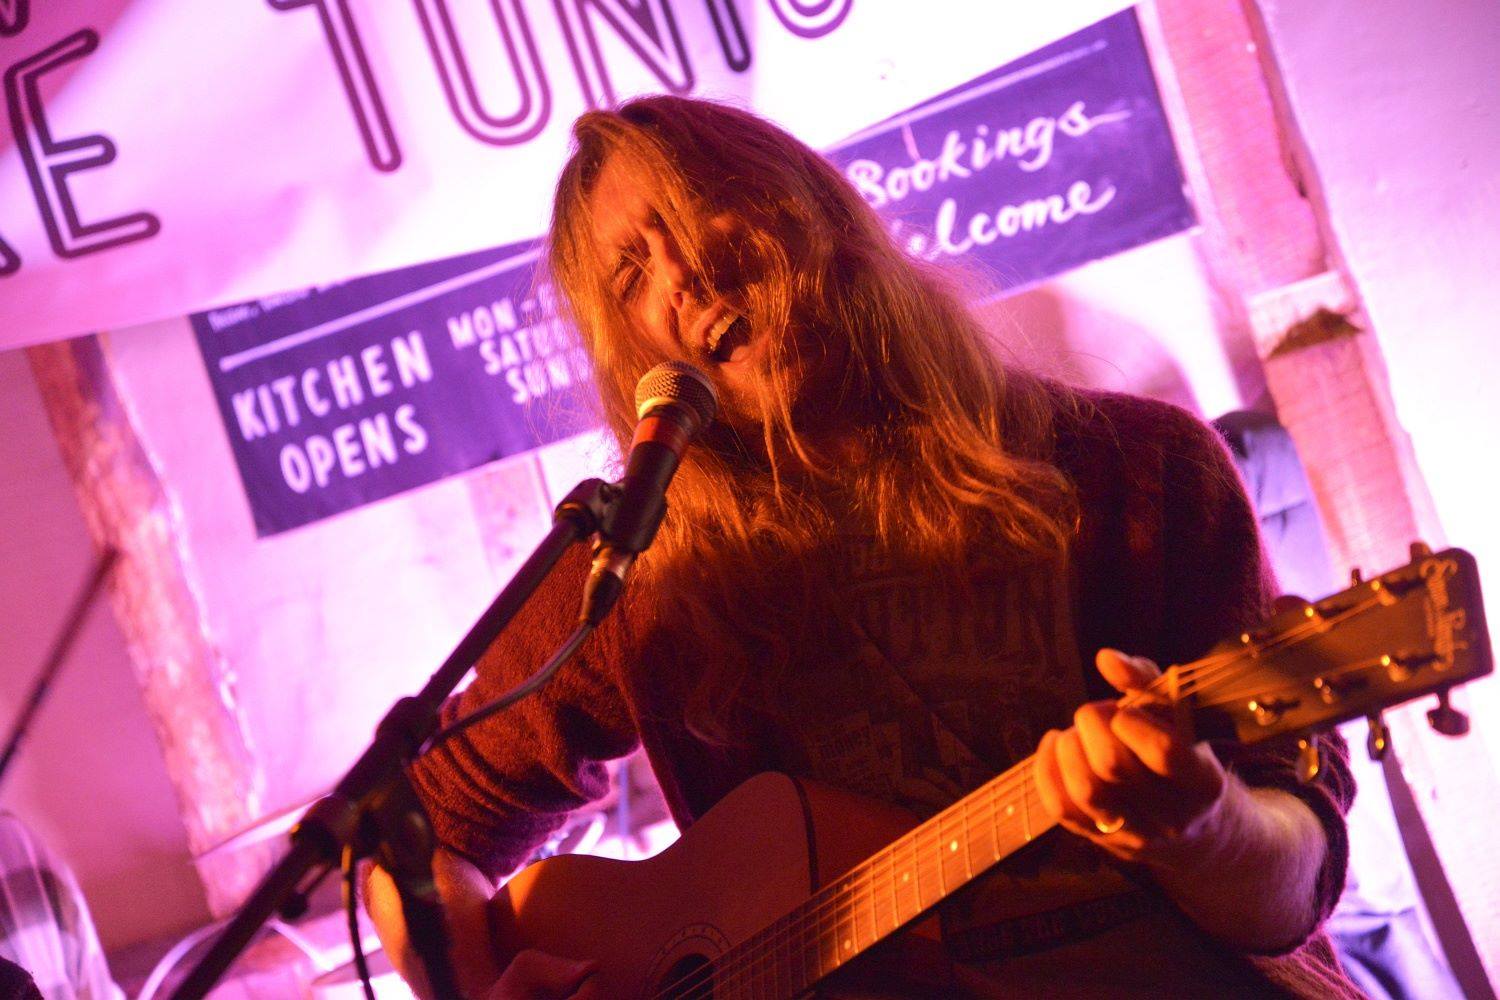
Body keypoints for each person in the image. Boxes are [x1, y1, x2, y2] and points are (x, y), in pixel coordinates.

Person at [368, 95, 1359, 998]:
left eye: (703, 205)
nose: (687, 275)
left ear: (818, 207)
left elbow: (1294, 881)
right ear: (635, 351)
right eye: (633, 271)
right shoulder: (648, 579)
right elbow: (414, 839)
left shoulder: (1139, 472)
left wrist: (1204, 824)